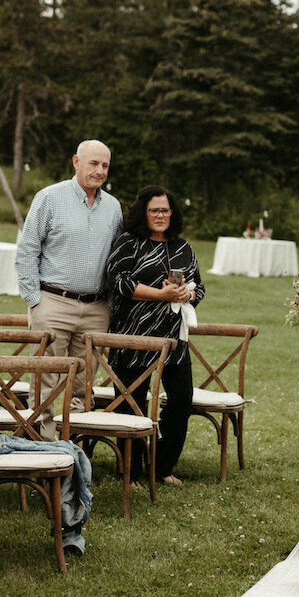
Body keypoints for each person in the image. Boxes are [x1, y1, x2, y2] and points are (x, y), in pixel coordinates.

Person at [15, 139, 123, 439]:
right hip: (53, 302)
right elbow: (27, 251)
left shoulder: (114, 207)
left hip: (96, 308)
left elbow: (117, 258)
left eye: (105, 165)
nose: (99, 171)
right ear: (76, 161)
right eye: (93, 163)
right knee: (45, 378)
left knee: (82, 384)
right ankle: (43, 448)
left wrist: (110, 305)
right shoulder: (49, 198)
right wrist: (34, 300)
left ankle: (73, 448)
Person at [105, 185, 204, 487]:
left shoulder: (183, 247)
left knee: (181, 399)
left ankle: (161, 467)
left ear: (172, 213)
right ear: (143, 213)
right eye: (154, 210)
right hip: (133, 337)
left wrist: (186, 293)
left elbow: (199, 288)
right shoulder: (128, 242)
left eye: (165, 210)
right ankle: (130, 471)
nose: (160, 215)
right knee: (130, 402)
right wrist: (161, 294)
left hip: (173, 341)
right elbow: (118, 282)